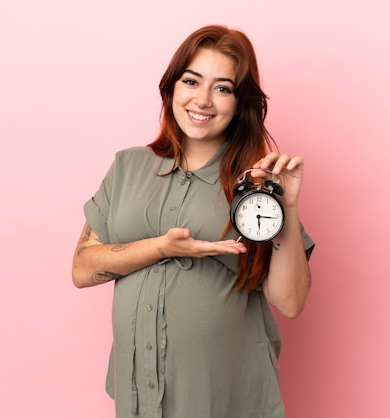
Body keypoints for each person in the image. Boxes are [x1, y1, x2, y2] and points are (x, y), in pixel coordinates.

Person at [72, 24, 315, 418]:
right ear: (171, 88)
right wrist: (162, 247)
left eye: (223, 88)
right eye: (191, 81)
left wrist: (286, 208)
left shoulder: (254, 186)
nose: (203, 100)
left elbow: (289, 302)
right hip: (139, 396)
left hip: (224, 399)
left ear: (240, 103)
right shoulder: (128, 167)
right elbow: (83, 268)